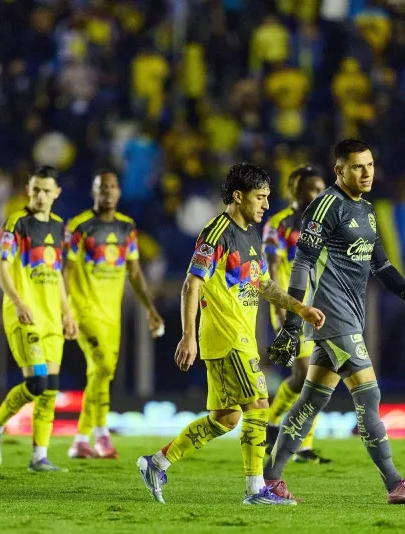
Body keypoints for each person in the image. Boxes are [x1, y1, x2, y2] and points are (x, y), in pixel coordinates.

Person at [137, 163, 325, 505]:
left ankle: (157, 463)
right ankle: (256, 490)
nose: (266, 204)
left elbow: (264, 284)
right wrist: (188, 336)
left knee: (226, 418)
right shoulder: (216, 233)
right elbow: (191, 284)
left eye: (267, 197)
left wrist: (300, 309)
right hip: (226, 337)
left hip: (242, 337)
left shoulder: (251, 233)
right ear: (238, 196)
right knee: (259, 405)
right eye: (260, 197)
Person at [265, 139, 405, 504]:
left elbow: (383, 266)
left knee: (310, 402)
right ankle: (394, 483)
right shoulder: (326, 205)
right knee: (369, 394)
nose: (366, 173)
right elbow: (302, 262)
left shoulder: (367, 211)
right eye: (357, 167)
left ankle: (270, 479)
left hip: (347, 319)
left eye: (370, 165)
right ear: (339, 170)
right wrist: (293, 322)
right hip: (333, 317)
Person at [0, 165, 78, 472]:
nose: (40, 196)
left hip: (51, 318)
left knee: (50, 388)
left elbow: (57, 273)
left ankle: (39, 456)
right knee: (36, 382)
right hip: (25, 315)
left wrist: (67, 312)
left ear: (56, 193)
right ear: (28, 190)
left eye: (46, 190)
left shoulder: (60, 227)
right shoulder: (17, 223)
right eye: (36, 189)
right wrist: (19, 302)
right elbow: (0, 269)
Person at [64, 171, 164, 460]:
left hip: (112, 314)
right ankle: (102, 436)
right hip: (85, 310)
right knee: (103, 367)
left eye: (111, 187)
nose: (107, 192)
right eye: (102, 187)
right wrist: (65, 311)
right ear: (94, 191)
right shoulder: (80, 226)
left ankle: (80, 440)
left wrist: (150, 309)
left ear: (119, 192)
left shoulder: (127, 228)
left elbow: (135, 272)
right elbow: (66, 271)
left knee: (101, 373)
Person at [262, 165, 330, 463]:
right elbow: (272, 270)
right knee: (306, 376)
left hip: (320, 309)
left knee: (314, 377)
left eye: (322, 190)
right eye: (313, 189)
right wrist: (282, 316)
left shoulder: (324, 225)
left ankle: (292, 437)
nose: (319, 195)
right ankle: (278, 426)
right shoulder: (280, 224)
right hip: (292, 308)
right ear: (296, 190)